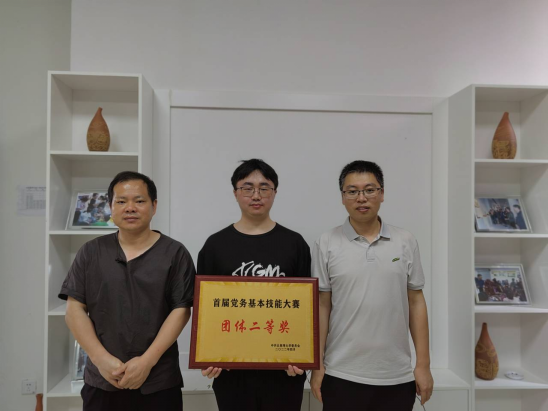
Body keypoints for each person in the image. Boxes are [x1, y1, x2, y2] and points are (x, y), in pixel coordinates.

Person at [59, 171, 195, 411]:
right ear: (110, 207)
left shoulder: (175, 253)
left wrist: (147, 362)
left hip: (158, 380)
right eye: (121, 201)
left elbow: (181, 310)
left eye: (139, 201)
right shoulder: (90, 252)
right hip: (103, 379)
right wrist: (101, 360)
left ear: (154, 206)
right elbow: (74, 310)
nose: (130, 208)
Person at [310, 160, 434, 410]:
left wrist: (423, 365)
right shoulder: (327, 242)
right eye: (352, 191)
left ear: (382, 193)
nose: (361, 198)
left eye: (369, 190)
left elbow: (416, 302)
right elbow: (322, 306)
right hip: (340, 372)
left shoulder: (405, 241)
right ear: (342, 197)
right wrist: (318, 365)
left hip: (396, 375)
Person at [198, 159, 311, 411]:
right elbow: (205, 307)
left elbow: (306, 308)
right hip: (231, 369)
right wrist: (208, 353)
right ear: (235, 193)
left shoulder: (295, 244)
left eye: (264, 188)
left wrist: (302, 355)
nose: (256, 195)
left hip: (283, 369)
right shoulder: (215, 245)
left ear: (275, 192)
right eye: (247, 188)